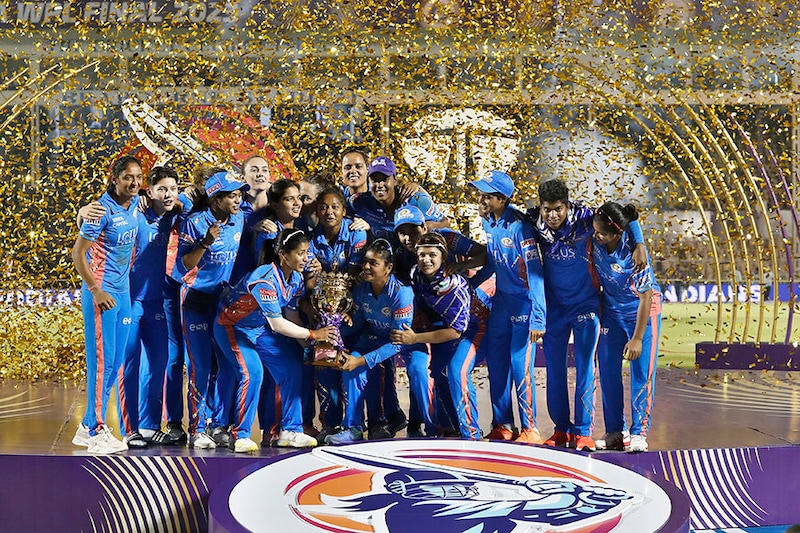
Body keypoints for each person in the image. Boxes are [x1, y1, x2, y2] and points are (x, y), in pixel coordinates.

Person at [531, 178, 647, 452]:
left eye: (557, 208)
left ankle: (582, 432)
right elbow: (508, 214)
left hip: (586, 306)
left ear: (567, 205)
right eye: (546, 209)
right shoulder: (534, 222)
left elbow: (622, 214)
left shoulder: (586, 217)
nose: (552, 215)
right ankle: (561, 429)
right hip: (554, 308)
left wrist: (639, 241)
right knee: (554, 371)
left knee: (584, 369)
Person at [214, 229, 338, 452]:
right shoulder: (265, 280)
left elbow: (291, 316)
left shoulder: (296, 279)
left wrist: (311, 349)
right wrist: (313, 335)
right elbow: (278, 325)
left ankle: (290, 431)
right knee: (253, 373)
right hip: (231, 326)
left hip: (257, 329)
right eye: (300, 253)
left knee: (291, 367)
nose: (306, 258)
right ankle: (239, 435)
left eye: (307, 253)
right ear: (283, 255)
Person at [71, 155, 142, 454]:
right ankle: (98, 431)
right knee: (102, 363)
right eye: (128, 177)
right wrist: (95, 289)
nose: (135, 182)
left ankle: (88, 425)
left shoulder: (135, 204)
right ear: (114, 178)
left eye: (139, 177)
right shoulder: (100, 211)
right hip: (103, 294)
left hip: (123, 294)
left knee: (116, 362)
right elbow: (78, 254)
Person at [468, 170, 546, 444]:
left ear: (502, 199)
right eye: (481, 194)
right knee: (497, 365)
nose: (481, 199)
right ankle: (503, 424)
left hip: (523, 306)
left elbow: (535, 273)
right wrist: (470, 283)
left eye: (487, 196)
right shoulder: (488, 222)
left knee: (519, 365)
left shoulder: (520, 226)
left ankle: (530, 428)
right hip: (501, 302)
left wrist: (539, 317)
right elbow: (492, 263)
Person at [172, 170, 248, 449]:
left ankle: (218, 425)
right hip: (196, 300)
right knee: (200, 367)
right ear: (215, 199)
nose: (238, 200)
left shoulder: (239, 217)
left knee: (227, 366)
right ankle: (197, 428)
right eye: (232, 195)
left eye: (240, 194)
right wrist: (205, 242)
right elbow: (183, 266)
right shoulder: (194, 223)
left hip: (223, 303)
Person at [326, 240, 429, 445]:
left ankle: (427, 426)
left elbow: (398, 342)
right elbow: (359, 322)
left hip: (407, 341)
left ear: (388, 267)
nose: (366, 267)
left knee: (416, 371)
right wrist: (334, 335)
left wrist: (363, 360)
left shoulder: (401, 293)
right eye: (365, 262)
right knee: (350, 364)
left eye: (373, 263)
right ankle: (353, 428)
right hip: (375, 339)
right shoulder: (362, 288)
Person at [391, 233, 490, 440]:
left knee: (457, 371)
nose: (426, 260)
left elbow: (456, 331)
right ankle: (451, 427)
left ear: (443, 257)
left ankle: (471, 434)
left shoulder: (454, 286)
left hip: (475, 327)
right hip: (445, 326)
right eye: (421, 255)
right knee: (438, 373)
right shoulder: (416, 273)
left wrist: (416, 338)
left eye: (432, 255)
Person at [118, 166, 181, 448]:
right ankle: (129, 428)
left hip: (156, 301)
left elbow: (192, 198)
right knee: (129, 365)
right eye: (162, 189)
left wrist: (179, 199)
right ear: (149, 191)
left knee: (158, 364)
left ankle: (149, 424)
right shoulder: (135, 213)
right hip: (129, 301)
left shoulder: (175, 216)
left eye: (173, 189)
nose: (168, 195)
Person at [592, 202, 662, 453]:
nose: (596, 237)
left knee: (641, 375)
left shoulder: (636, 255)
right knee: (608, 374)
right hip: (612, 315)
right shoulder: (597, 238)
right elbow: (630, 213)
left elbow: (646, 297)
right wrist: (639, 235)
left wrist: (638, 339)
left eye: (602, 234)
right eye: (595, 231)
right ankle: (615, 433)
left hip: (642, 315)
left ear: (618, 234)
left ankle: (639, 432)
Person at [350, 156, 450, 245]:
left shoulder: (416, 200)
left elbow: (446, 224)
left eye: (385, 179)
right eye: (374, 180)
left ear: (395, 180)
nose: (380, 185)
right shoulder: (359, 202)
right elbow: (339, 209)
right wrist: (356, 221)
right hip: (385, 259)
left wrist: (424, 228)